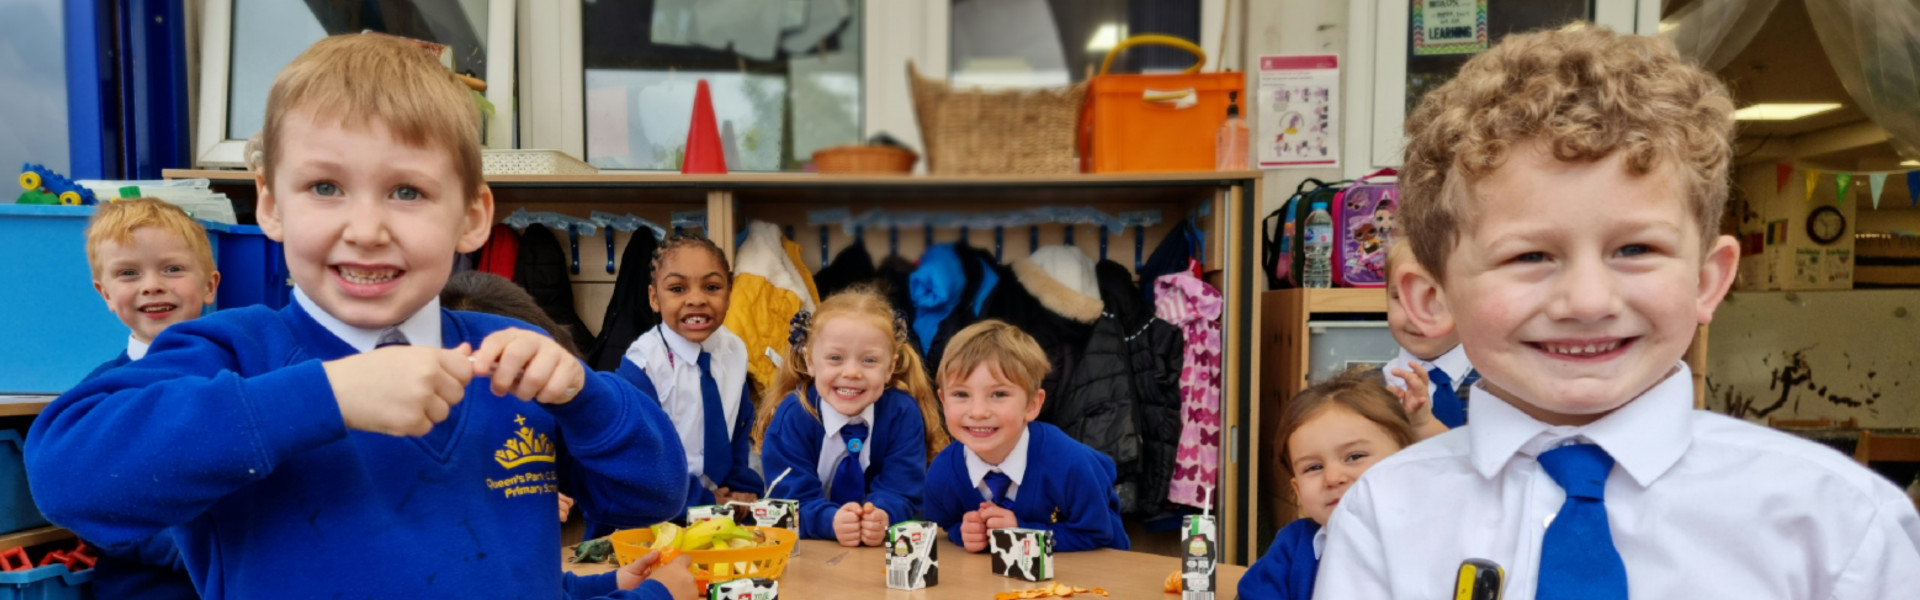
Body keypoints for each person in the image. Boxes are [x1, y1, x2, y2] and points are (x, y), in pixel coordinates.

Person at [25, 33, 694, 599]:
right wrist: (329, 394)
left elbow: (653, 498)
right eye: (325, 187)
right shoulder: (233, 354)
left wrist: (586, 397)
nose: (367, 229)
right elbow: (68, 475)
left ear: (471, 216)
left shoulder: (515, 353)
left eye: (407, 191)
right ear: (271, 205)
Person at [1315, 26, 1920, 599]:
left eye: (1635, 250)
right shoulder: (1384, 515)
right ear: (1431, 299)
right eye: (1530, 256)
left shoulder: (1837, 524)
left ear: (1708, 279)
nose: (1588, 302)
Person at [80, 198, 220, 599]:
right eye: (128, 273)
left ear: (209, 286)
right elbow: (94, 506)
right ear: (106, 294)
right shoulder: (100, 394)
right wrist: (201, 552)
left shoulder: (248, 375)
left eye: (172, 269)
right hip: (149, 588)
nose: (152, 285)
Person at [753, 285, 948, 546]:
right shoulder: (794, 417)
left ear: (890, 367)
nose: (852, 372)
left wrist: (882, 516)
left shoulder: (902, 414)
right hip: (810, 551)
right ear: (810, 361)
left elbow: (904, 489)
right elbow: (786, 501)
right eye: (836, 358)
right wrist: (830, 521)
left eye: (869, 361)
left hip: (879, 553)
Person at [923, 320, 1129, 552]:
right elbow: (945, 526)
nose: (978, 412)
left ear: (1032, 405)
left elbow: (1097, 534)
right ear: (943, 401)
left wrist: (1022, 533)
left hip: (1093, 569)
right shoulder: (942, 473)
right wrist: (964, 533)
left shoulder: (1070, 465)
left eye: (999, 394)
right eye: (961, 394)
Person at [614, 233, 762, 531]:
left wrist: (740, 487)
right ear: (654, 298)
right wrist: (699, 500)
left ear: (729, 293)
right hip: (654, 515)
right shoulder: (643, 364)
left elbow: (737, 430)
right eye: (677, 288)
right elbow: (640, 460)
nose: (696, 299)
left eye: (712, 287)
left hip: (716, 512)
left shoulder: (734, 350)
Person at [1238, 371, 1430, 600]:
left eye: (1355, 456)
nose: (1332, 478)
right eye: (1313, 467)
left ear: (1405, 462)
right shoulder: (1293, 546)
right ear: (1298, 490)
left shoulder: (1429, 541)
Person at [1380, 242, 1465, 437]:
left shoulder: (1500, 387)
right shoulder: (1363, 391)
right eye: (1401, 298)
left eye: (1434, 298)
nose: (1415, 316)